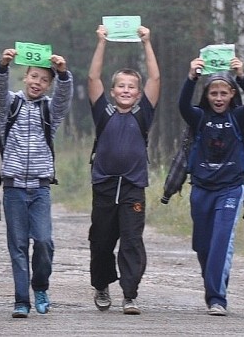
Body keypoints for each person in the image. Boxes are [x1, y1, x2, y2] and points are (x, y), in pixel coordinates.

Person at [0, 47, 73, 318]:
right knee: (17, 246)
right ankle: (21, 301)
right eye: (34, 77)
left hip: (40, 187)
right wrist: (3, 66)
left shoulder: (50, 111)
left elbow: (64, 97)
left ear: (48, 85)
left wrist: (62, 74)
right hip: (14, 186)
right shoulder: (10, 106)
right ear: (25, 76)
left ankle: (40, 285)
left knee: (44, 241)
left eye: (44, 80)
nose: (38, 83)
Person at [87, 24, 160, 315]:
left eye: (131, 87)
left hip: (133, 187)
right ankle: (102, 285)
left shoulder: (144, 113)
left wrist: (147, 42)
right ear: (113, 90)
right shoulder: (102, 111)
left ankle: (130, 294)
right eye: (121, 86)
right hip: (104, 185)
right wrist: (102, 42)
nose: (126, 90)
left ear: (139, 92)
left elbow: (156, 76)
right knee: (101, 241)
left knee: (132, 242)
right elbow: (93, 76)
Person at [178, 56, 244, 316]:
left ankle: (217, 298)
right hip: (201, 188)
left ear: (232, 94)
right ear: (207, 95)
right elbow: (182, 105)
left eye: (224, 93)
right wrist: (191, 77)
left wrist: (242, 76)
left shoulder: (238, 118)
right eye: (214, 93)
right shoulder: (198, 118)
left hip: (230, 188)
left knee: (221, 240)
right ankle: (213, 282)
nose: (219, 98)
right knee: (203, 245)